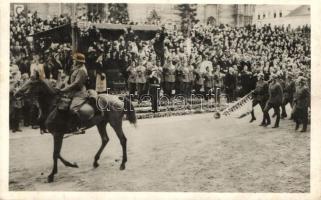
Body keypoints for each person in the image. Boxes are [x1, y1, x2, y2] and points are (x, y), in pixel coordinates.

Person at [60, 53, 88, 133]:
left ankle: (79, 126)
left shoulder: (82, 70)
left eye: (74, 60)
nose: (73, 61)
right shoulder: (76, 68)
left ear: (79, 61)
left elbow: (77, 84)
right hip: (72, 91)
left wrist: (65, 89)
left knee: (73, 108)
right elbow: (69, 77)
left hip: (79, 92)